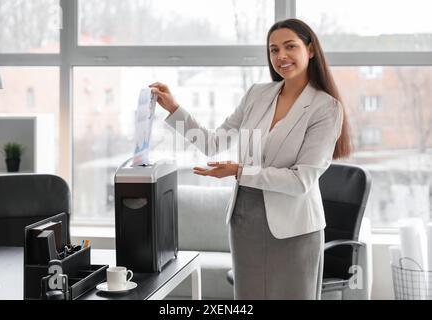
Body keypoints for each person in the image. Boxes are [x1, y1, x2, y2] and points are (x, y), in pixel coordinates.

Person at [149, 18, 351, 300]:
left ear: (311, 49)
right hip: (245, 221)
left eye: (290, 46)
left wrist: (239, 171)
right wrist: (173, 107)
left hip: (293, 229)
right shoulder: (258, 94)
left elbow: (300, 180)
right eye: (273, 50)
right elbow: (212, 143)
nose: (281, 56)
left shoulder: (325, 108)